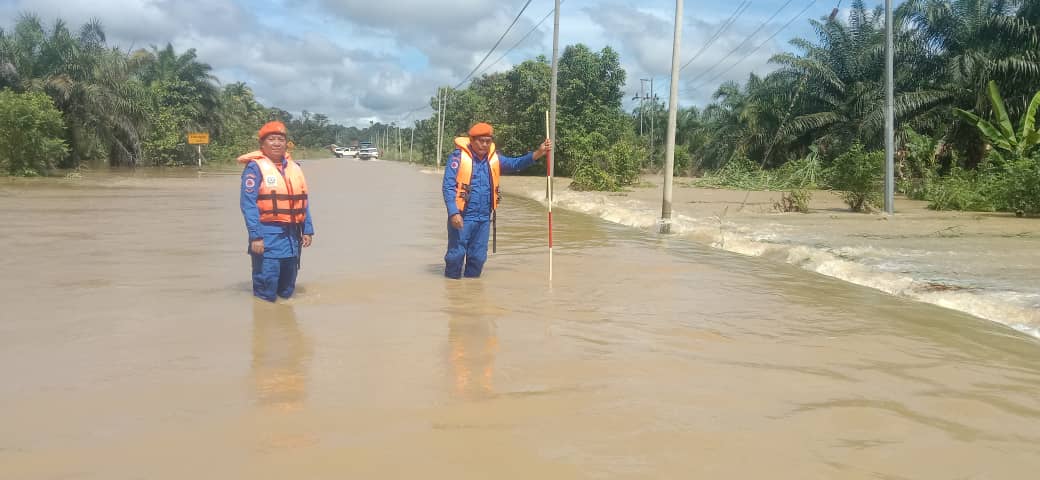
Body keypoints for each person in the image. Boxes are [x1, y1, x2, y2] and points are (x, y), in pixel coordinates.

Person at [441, 122, 551, 279]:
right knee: (455, 256)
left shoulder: (494, 159)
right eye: (481, 140)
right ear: (472, 140)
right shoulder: (457, 158)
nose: (485, 144)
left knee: (478, 258)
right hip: (462, 216)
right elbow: (448, 186)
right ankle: (452, 292)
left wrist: (539, 153)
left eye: (488, 141)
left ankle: (471, 294)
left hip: (484, 218)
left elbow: (515, 164)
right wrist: (453, 213)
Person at [239, 121, 315, 302]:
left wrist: (308, 229)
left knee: (288, 287)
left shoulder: (294, 167)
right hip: (267, 236)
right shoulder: (254, 168)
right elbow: (248, 204)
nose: (276, 143)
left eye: (280, 139)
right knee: (267, 286)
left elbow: (302, 201)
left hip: (292, 237)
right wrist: (256, 236)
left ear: (286, 143)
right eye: (271, 139)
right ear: (262, 144)